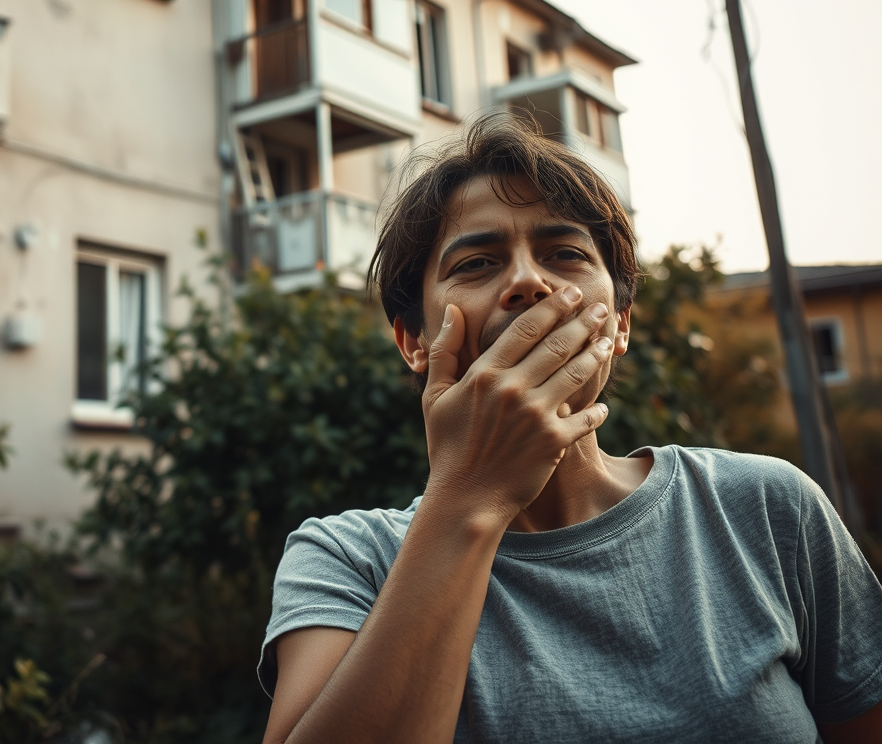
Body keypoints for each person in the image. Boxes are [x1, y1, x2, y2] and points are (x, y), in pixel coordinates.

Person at [257, 117, 882, 744]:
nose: (529, 281)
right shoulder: (345, 559)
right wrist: (469, 493)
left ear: (623, 320)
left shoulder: (767, 508)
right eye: (476, 263)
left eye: (566, 255)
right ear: (413, 340)